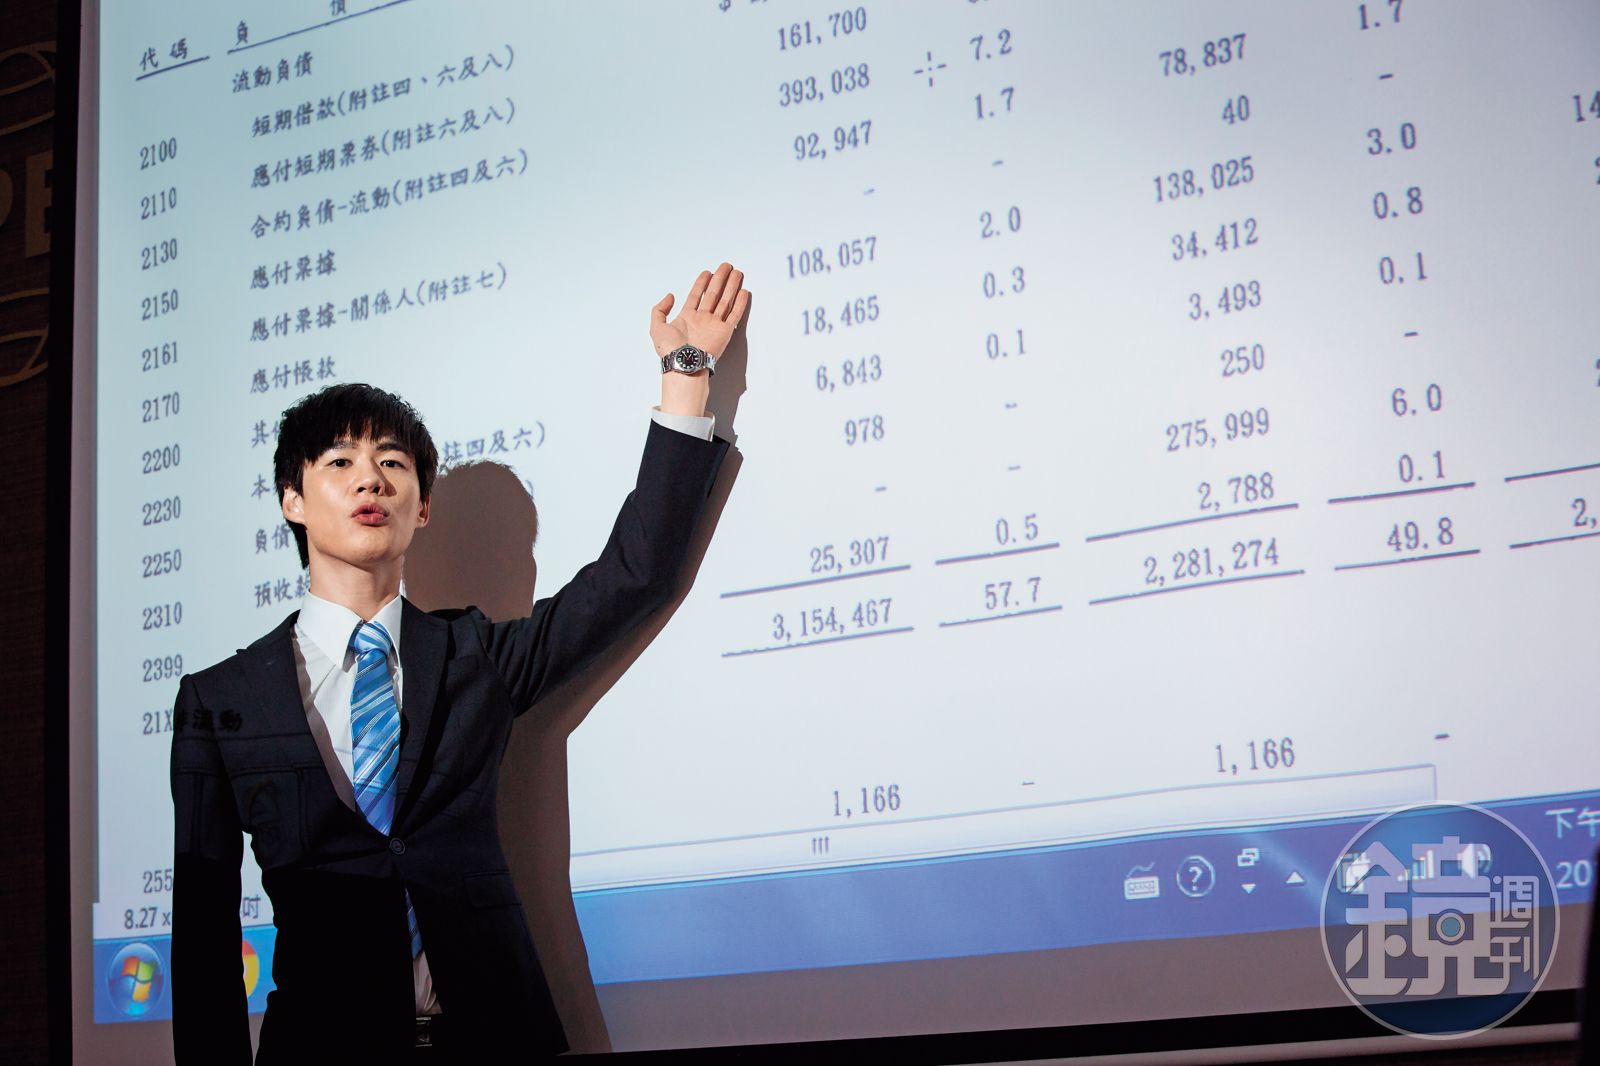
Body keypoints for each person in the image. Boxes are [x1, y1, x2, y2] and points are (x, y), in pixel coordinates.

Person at [170, 264, 749, 1063]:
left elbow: (633, 576)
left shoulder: (476, 655)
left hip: (496, 1040)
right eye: (339, 462)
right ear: (292, 501)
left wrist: (687, 375)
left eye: (393, 463)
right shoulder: (219, 701)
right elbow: (202, 939)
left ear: (422, 507)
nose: (370, 478)